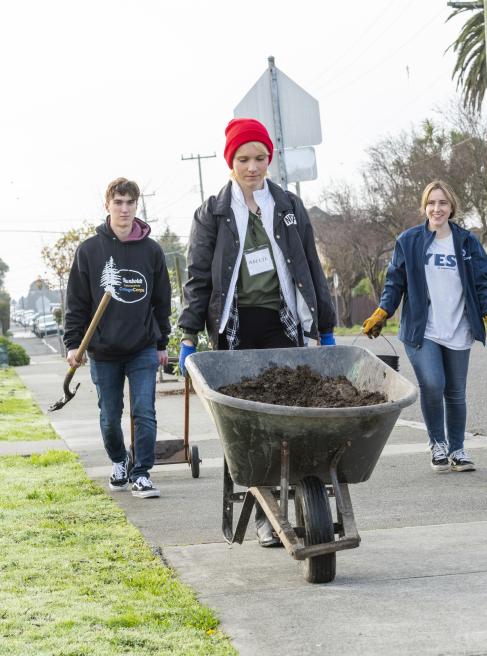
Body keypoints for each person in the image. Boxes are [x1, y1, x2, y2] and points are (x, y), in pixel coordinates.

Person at [177, 117, 337, 545]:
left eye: (261, 158)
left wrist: (325, 326)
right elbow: (198, 278)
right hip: (236, 330)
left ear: (270, 159)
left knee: (292, 420)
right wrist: (188, 335)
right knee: (249, 426)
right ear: (230, 161)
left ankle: (291, 502)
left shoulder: (287, 207)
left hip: (285, 325)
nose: (253, 167)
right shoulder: (213, 212)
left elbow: (309, 268)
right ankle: (267, 514)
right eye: (244, 159)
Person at [363, 180, 487, 473]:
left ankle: (458, 449)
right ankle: (437, 444)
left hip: (458, 326)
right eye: (431, 203)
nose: (437, 209)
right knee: (433, 383)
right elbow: (395, 282)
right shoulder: (409, 241)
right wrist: (382, 311)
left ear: (451, 207)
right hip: (421, 328)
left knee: (455, 392)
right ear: (424, 207)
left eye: (442, 203)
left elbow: (481, 284)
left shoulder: (467, 242)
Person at [64, 177, 172, 499]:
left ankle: (141, 473)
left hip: (142, 348)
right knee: (110, 417)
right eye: (118, 203)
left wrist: (162, 343)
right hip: (103, 350)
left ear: (136, 206)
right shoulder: (89, 251)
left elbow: (161, 301)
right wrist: (73, 343)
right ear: (107, 205)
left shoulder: (151, 251)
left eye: (130, 203)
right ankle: (119, 461)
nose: (124, 209)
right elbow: (77, 303)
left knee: (144, 411)